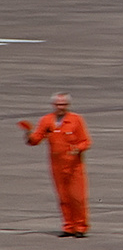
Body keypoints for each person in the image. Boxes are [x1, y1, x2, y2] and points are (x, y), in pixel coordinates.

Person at [18, 93, 92, 237]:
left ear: (68, 106)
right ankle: (68, 226)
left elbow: (86, 141)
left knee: (77, 197)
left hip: (74, 166)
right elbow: (36, 139)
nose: (60, 107)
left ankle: (80, 227)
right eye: (58, 104)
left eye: (63, 104)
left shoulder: (76, 120)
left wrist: (77, 148)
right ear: (53, 105)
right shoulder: (46, 120)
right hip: (57, 166)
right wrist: (28, 134)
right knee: (63, 197)